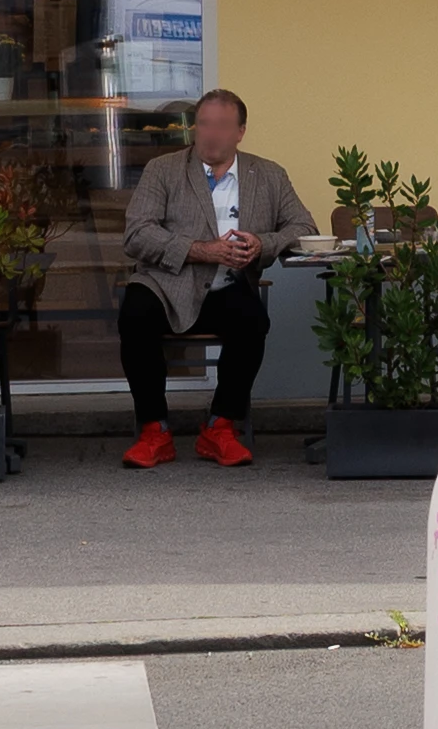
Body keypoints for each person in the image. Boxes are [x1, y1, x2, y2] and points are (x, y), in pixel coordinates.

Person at [118, 87, 320, 469]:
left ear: (241, 131)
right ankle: (154, 431)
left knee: (253, 321)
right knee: (135, 314)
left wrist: (262, 243)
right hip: (167, 283)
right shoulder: (162, 170)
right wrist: (200, 249)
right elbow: (137, 234)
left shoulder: (269, 175)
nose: (211, 134)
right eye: (204, 124)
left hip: (228, 284)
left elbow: (303, 226)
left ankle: (220, 427)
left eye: (222, 126)